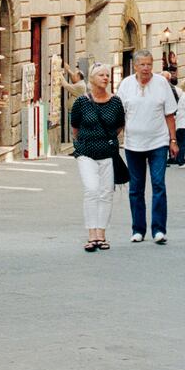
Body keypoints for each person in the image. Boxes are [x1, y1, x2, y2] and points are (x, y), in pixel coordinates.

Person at [117, 51, 179, 243]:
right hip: (133, 144)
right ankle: (138, 229)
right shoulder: (126, 85)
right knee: (136, 188)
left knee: (158, 184)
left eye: (149, 64)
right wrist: (114, 136)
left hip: (158, 142)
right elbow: (120, 114)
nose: (146, 68)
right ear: (135, 66)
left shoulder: (162, 84)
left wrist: (173, 140)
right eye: (142, 64)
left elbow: (169, 114)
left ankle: (159, 229)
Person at [68, 65, 125, 252]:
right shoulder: (81, 102)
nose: (106, 78)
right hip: (86, 152)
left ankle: (101, 234)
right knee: (92, 190)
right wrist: (84, 142)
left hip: (108, 153)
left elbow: (119, 126)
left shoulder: (116, 102)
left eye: (108, 75)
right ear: (92, 79)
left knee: (106, 192)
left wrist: (105, 140)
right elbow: (75, 127)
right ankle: (91, 234)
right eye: (101, 75)